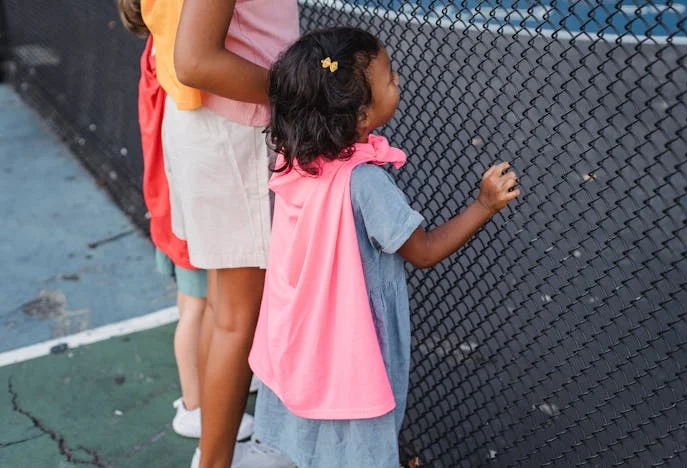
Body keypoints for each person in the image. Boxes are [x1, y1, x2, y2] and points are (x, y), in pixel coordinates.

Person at [248, 27, 520, 467]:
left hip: (301, 333)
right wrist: (483, 204)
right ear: (359, 117)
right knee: (357, 433)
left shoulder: (297, 159)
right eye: (390, 78)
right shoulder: (366, 182)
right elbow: (424, 250)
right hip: (355, 342)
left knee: (313, 434)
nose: (398, 82)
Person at [143, 0, 299, 465]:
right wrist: (307, 89)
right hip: (233, 130)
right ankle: (214, 461)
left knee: (223, 310)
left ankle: (214, 454)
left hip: (214, 129)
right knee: (235, 319)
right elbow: (196, 61)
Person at [117, 0, 253, 445]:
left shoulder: (157, 53)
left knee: (205, 308)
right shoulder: (173, 65)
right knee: (198, 310)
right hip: (179, 206)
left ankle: (215, 386)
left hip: (172, 203)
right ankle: (194, 406)